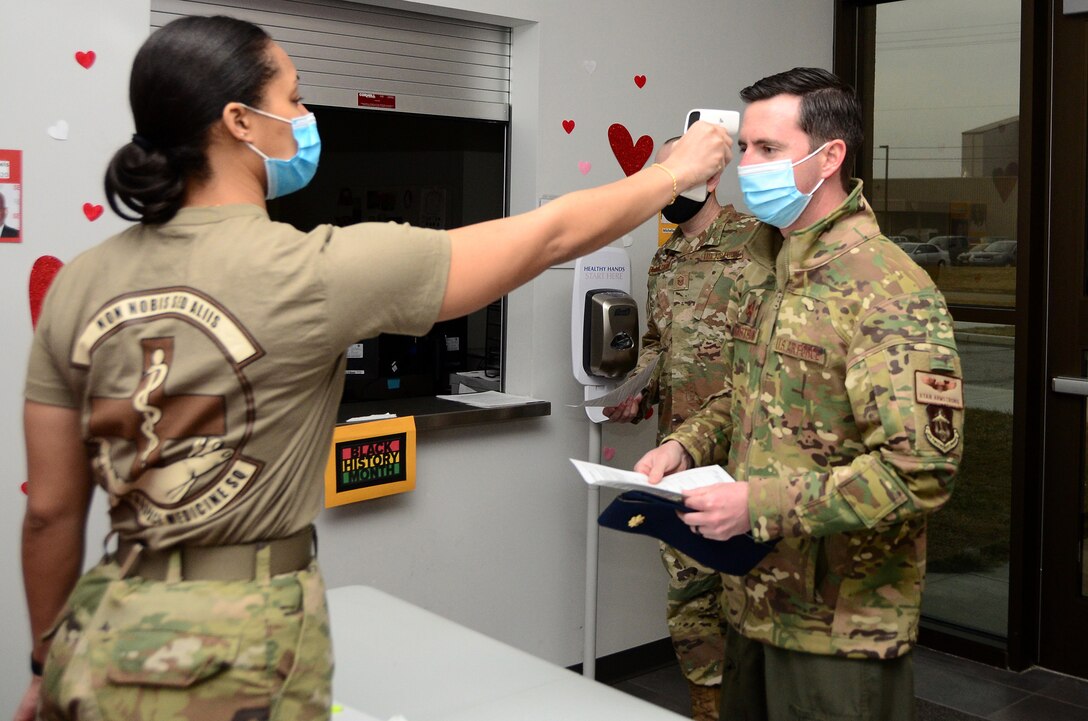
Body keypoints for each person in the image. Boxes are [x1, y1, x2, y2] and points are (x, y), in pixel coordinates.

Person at [15, 15, 731, 721]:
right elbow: (546, 238)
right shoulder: (313, 269)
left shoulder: (81, 282)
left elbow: (50, 512)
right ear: (239, 120)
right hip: (237, 647)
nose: (305, 117)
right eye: (294, 98)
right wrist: (673, 172)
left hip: (101, 626)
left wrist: (45, 665)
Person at [635, 67, 963, 721]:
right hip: (753, 606)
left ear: (829, 155)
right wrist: (684, 442)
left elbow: (920, 470)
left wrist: (757, 502)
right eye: (745, 148)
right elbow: (743, 391)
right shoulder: (766, 268)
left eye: (767, 150)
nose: (746, 165)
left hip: (837, 630)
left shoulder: (886, 287)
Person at [603, 136, 756, 721]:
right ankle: (706, 701)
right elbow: (657, 349)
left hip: (745, 451)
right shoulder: (664, 260)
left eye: (678, 170)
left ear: (711, 179)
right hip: (679, 454)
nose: (667, 183)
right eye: (659, 172)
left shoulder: (757, 247)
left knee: (747, 587)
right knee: (688, 589)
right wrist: (635, 398)